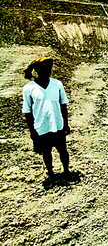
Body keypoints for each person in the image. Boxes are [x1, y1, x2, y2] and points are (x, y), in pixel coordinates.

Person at [22, 57, 71, 187]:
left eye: (49, 69)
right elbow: (27, 111)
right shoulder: (29, 88)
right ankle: (51, 173)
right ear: (37, 71)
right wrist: (32, 130)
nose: (48, 71)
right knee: (46, 152)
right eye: (44, 69)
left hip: (58, 124)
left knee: (63, 150)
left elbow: (63, 105)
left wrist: (66, 123)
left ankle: (66, 171)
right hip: (41, 126)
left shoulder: (57, 84)